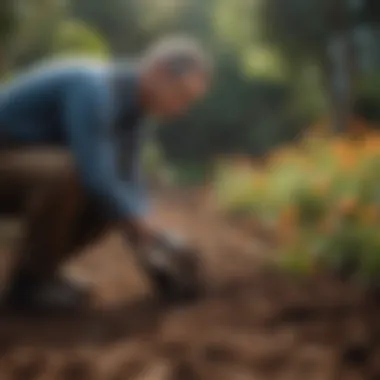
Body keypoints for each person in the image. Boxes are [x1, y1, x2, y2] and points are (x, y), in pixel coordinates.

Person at [0, 36, 212, 313]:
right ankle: (29, 287)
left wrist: (152, 245)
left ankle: (38, 273)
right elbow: (95, 172)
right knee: (71, 173)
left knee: (111, 202)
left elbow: (128, 184)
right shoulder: (94, 87)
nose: (181, 110)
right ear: (160, 71)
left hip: (18, 167)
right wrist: (145, 232)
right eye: (181, 95)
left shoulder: (133, 114)